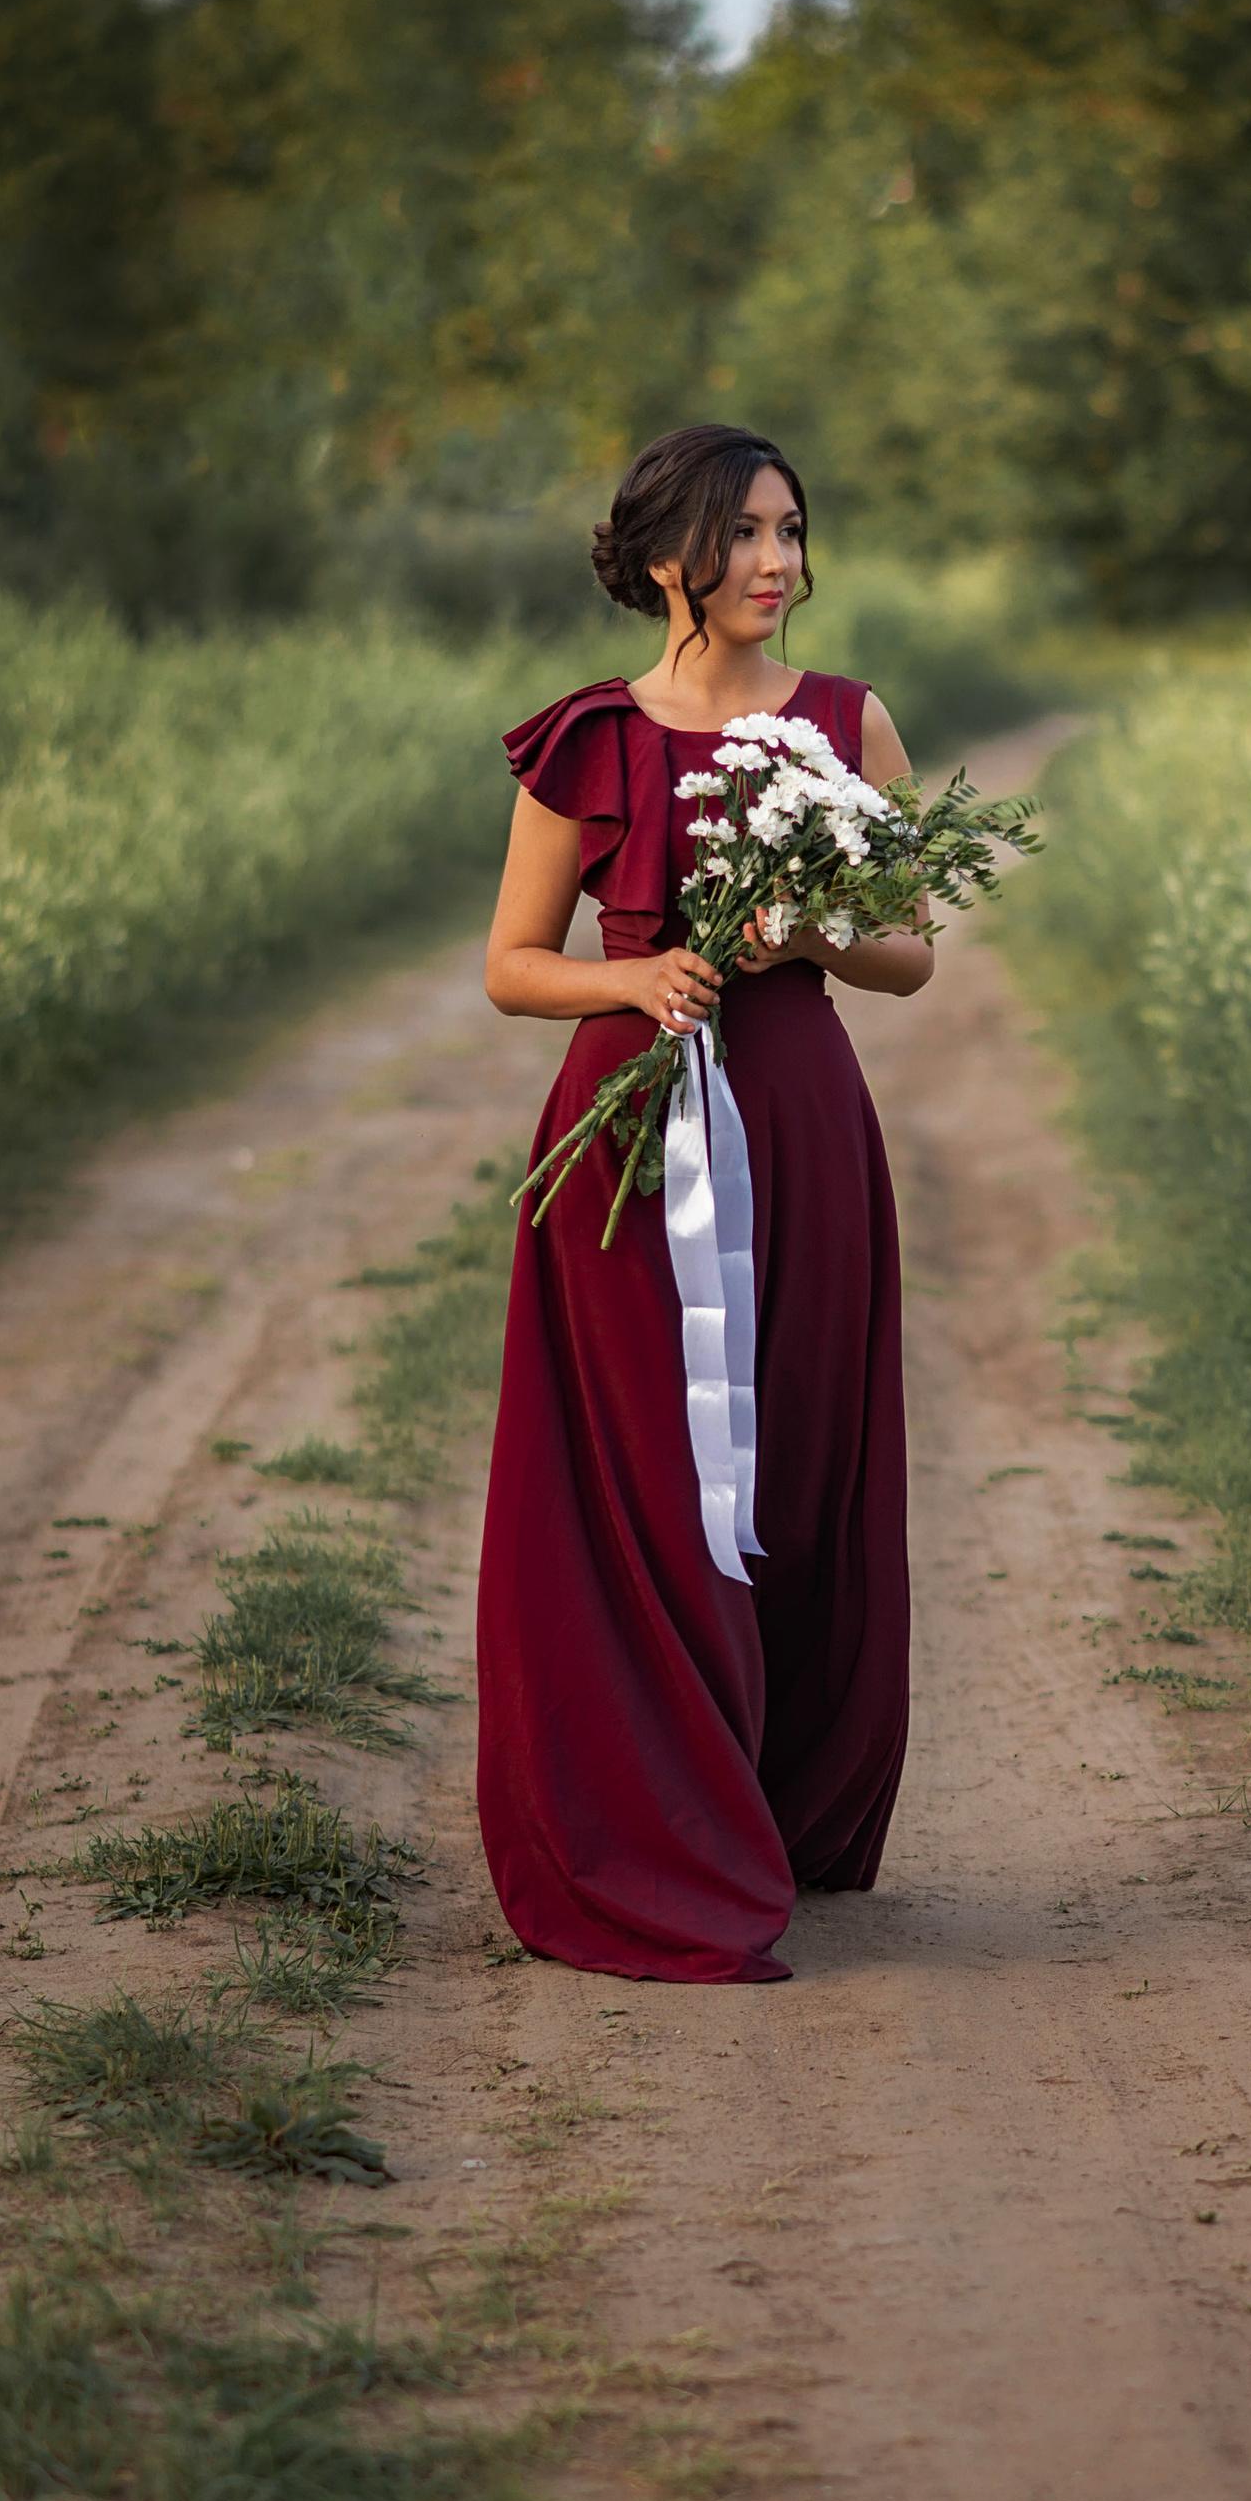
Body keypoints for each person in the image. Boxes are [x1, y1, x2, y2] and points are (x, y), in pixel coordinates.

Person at [475, 425, 930, 1984]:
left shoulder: (849, 723)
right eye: (745, 535)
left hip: (799, 1121)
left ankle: (783, 1800)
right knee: (647, 1479)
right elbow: (512, 965)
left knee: (791, 1453)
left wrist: (805, 928)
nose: (779, 564)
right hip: (622, 1149)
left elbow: (910, 947)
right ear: (671, 553)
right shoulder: (590, 737)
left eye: (793, 531)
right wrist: (638, 974)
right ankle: (656, 1827)